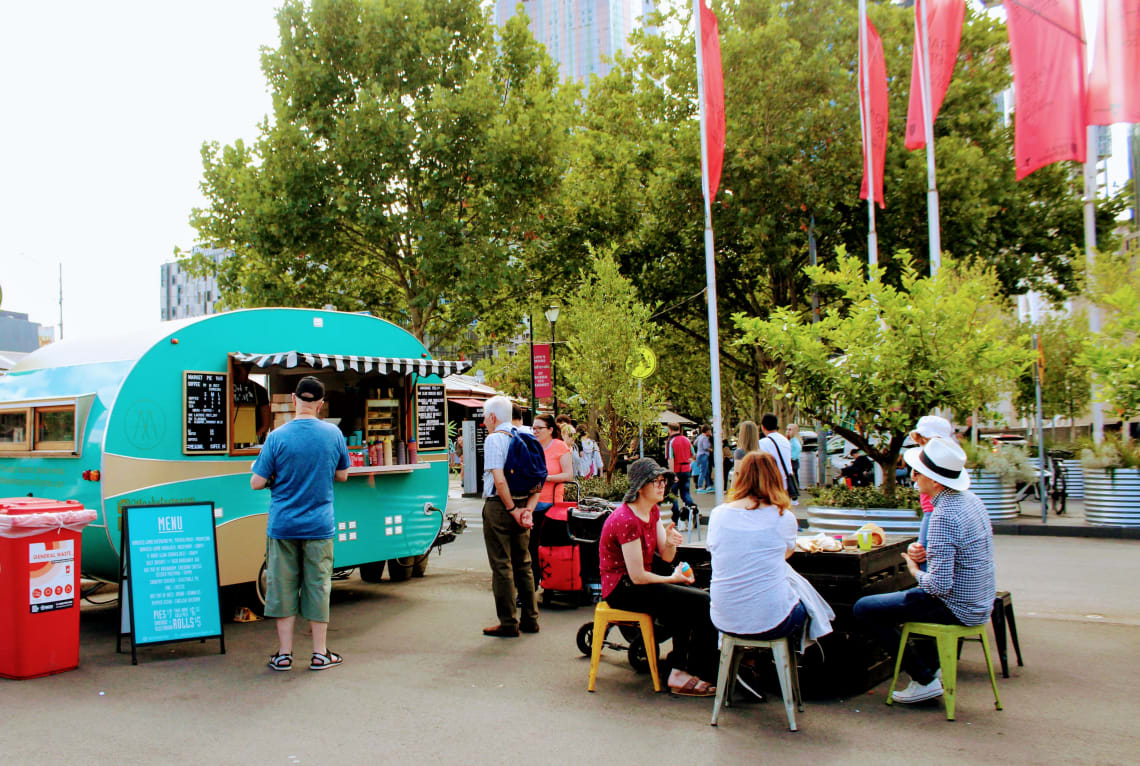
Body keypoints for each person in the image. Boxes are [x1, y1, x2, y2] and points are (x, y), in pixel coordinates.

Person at [853, 437, 996, 705]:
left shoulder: (943, 515)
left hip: (956, 606)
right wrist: (926, 555)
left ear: (935, 481)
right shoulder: (971, 501)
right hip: (980, 601)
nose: (914, 477)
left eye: (918, 472)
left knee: (864, 608)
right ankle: (932, 669)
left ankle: (924, 679)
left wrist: (913, 567)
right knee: (909, 598)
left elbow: (938, 587)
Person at [251, 376, 350, 672]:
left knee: (282, 587)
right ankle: (320, 653)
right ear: (320, 404)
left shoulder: (276, 437)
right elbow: (343, 475)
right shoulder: (333, 434)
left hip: (283, 526)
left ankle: (284, 654)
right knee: (318, 585)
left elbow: (256, 482)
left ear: (294, 400)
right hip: (319, 525)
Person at [598, 458, 719, 696]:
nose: (662, 485)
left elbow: (665, 555)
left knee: (694, 598)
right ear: (640, 487)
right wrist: (673, 580)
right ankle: (697, 671)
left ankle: (679, 668)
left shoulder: (651, 511)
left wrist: (671, 542)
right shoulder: (627, 520)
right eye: (655, 481)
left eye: (663, 480)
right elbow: (638, 576)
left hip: (637, 584)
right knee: (700, 602)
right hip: (622, 590)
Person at [480, 395, 541, 637]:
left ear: (493, 417)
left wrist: (512, 510)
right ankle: (531, 618)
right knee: (524, 563)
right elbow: (538, 478)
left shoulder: (494, 439)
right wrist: (526, 509)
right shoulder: (526, 436)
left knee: (502, 566)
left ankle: (508, 622)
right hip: (524, 503)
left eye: (485, 417)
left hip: (499, 507)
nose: (484, 422)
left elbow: (499, 480)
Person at [528, 414, 575, 588]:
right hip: (531, 502)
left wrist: (547, 478)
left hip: (552, 504)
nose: (535, 431)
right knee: (531, 546)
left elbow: (568, 474)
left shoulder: (559, 446)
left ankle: (549, 582)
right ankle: (531, 584)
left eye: (539, 428)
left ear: (550, 430)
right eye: (533, 428)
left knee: (546, 546)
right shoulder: (532, 447)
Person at [909, 415, 954, 570]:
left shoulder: (936, 456)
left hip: (932, 509)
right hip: (929, 506)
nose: (922, 441)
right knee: (925, 550)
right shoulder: (930, 454)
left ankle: (926, 585)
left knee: (924, 551)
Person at [665, 422, 696, 530]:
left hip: (677, 469)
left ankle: (677, 518)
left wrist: (672, 474)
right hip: (686, 469)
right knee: (686, 493)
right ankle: (692, 512)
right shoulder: (687, 440)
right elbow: (693, 454)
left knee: (673, 495)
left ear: (670, 430)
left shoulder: (671, 442)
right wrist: (689, 464)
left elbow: (670, 458)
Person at [233, 364, 271, 448]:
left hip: (253, 442)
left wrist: (254, 438)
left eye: (238, 371)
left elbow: (266, 423)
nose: (236, 374)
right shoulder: (225, 388)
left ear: (247, 371)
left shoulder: (259, 390)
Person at [758, 414, 794, 491]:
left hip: (772, 484)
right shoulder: (785, 440)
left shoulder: (762, 443)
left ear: (763, 427)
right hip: (787, 482)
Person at [694, 425, 713, 492]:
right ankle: (700, 486)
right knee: (703, 471)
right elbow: (705, 447)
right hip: (704, 455)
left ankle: (708, 485)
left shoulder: (699, 436)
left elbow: (695, 443)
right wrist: (710, 449)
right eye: (710, 431)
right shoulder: (705, 438)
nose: (710, 432)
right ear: (707, 431)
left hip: (699, 455)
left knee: (706, 471)